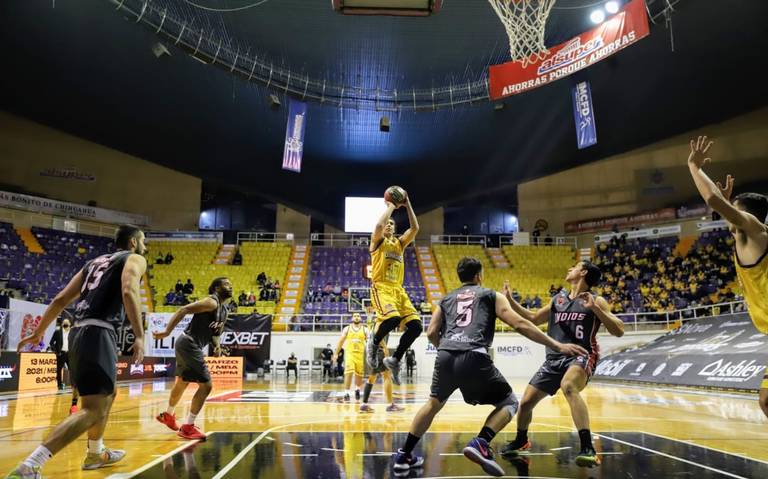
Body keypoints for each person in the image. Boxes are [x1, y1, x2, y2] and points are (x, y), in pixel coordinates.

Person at [393, 257, 587, 476]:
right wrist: (556, 344)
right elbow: (520, 323)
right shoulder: (490, 295)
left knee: (432, 404)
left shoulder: (445, 299)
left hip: (445, 355)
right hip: (474, 354)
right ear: (479, 276)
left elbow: (430, 333)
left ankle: (404, 455)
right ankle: (481, 442)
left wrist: (448, 350)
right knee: (510, 402)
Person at [7, 225, 147, 478]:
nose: (145, 247)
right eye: (143, 241)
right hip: (98, 332)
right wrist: (139, 334)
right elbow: (129, 290)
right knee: (92, 408)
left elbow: (60, 299)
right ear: (134, 243)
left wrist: (39, 332)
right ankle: (31, 465)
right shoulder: (134, 258)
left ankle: (96, 452)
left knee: (108, 393)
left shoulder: (92, 263)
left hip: (80, 333)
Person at [500, 261, 625, 468]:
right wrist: (510, 301)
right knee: (525, 404)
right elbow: (533, 317)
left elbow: (619, 330)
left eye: (574, 267)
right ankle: (521, 439)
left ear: (583, 272)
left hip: (582, 354)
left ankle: (587, 447)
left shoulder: (596, 300)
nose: (569, 269)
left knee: (568, 386)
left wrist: (595, 309)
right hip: (554, 358)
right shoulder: (558, 298)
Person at [687, 135, 768, 417]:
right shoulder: (745, 238)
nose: (730, 215)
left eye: (736, 210)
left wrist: (694, 167)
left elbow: (710, 199)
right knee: (766, 401)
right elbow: (720, 206)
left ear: (749, 216)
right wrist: (723, 201)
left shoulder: (756, 231)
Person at [154, 277, 233, 440]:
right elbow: (184, 309)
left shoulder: (224, 311)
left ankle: (168, 415)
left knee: (183, 382)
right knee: (206, 386)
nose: (230, 286)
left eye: (231, 284)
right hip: (189, 343)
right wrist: (167, 332)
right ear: (216, 288)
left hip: (188, 344)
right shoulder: (211, 302)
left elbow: (215, 334)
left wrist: (217, 347)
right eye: (226, 284)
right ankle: (188, 427)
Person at [367, 192, 421, 386]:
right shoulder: (377, 242)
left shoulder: (399, 244)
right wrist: (391, 205)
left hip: (398, 290)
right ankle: (373, 344)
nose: (388, 225)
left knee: (416, 327)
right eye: (387, 223)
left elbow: (415, 228)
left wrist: (407, 205)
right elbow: (379, 226)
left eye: (392, 224)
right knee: (393, 318)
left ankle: (395, 359)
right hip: (381, 288)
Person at [359, 335, 403, 414]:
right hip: (379, 350)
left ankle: (364, 405)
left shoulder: (374, 323)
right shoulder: (382, 322)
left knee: (371, 378)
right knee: (387, 376)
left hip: (371, 351)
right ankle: (390, 405)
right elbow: (378, 334)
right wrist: (385, 348)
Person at [48, 315, 80, 415]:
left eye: (67, 323)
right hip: (61, 353)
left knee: (72, 370)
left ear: (70, 324)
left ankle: (73, 386)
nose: (66, 324)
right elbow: (51, 343)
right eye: (65, 323)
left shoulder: (72, 332)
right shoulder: (57, 331)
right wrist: (56, 351)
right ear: (62, 324)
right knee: (58, 369)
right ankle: (59, 385)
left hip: (69, 354)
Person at [333, 313, 367, 401]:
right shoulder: (347, 329)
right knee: (348, 373)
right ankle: (346, 392)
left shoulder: (365, 329)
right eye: (355, 316)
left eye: (358, 316)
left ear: (361, 318)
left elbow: (370, 341)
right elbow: (341, 341)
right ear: (352, 318)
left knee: (359, 375)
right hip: (350, 353)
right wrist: (336, 353)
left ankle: (357, 390)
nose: (356, 317)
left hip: (360, 354)